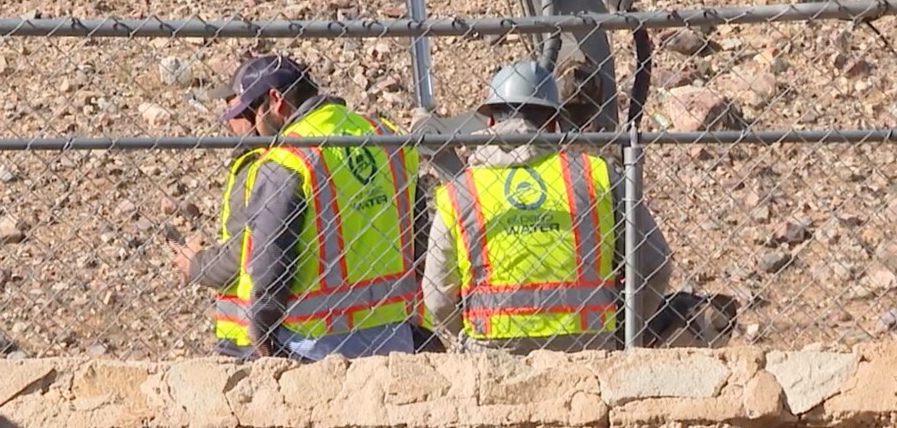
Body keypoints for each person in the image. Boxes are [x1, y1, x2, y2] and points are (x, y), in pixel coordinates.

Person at [423, 60, 674, 354]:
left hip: (492, 352)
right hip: (589, 349)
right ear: (555, 122)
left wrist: (470, 336)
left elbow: (437, 296)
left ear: (491, 122)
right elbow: (656, 264)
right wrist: (625, 335)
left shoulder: (461, 191)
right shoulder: (599, 176)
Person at [224, 54, 422, 361]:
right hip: (396, 337)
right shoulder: (386, 136)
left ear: (276, 100)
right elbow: (418, 228)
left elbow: (272, 262)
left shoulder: (288, 159)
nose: (253, 127)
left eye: (252, 112)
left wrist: (261, 332)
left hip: (315, 346)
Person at [171, 74, 267, 358]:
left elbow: (241, 256)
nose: (228, 121)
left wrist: (195, 264)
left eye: (234, 111)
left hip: (249, 336)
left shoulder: (258, 169)